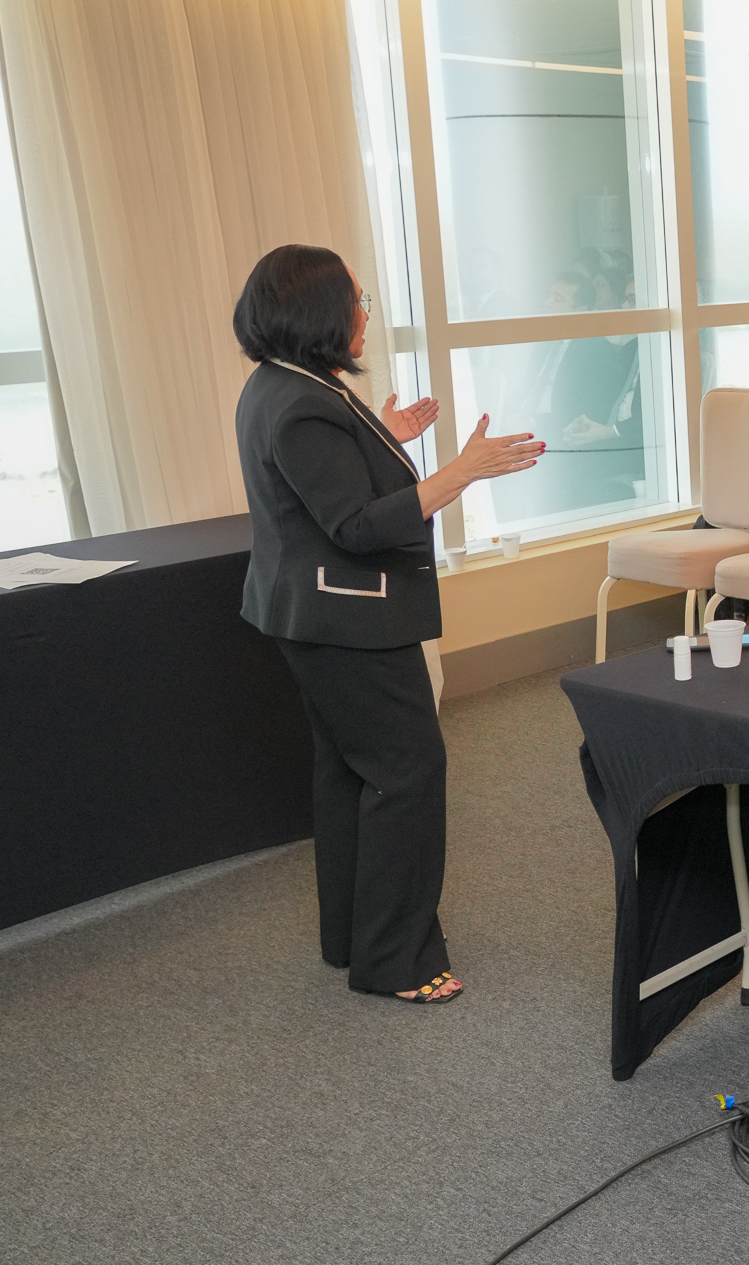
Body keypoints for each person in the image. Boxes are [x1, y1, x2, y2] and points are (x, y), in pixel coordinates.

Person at [232, 244, 545, 1006]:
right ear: (316, 312)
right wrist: (458, 474)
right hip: (346, 618)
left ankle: (352, 938)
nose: (365, 314)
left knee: (348, 771)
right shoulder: (304, 401)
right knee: (407, 772)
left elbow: (328, 481)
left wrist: (388, 438)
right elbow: (356, 526)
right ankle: (396, 960)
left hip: (311, 610)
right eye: (358, 301)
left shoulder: (288, 385)